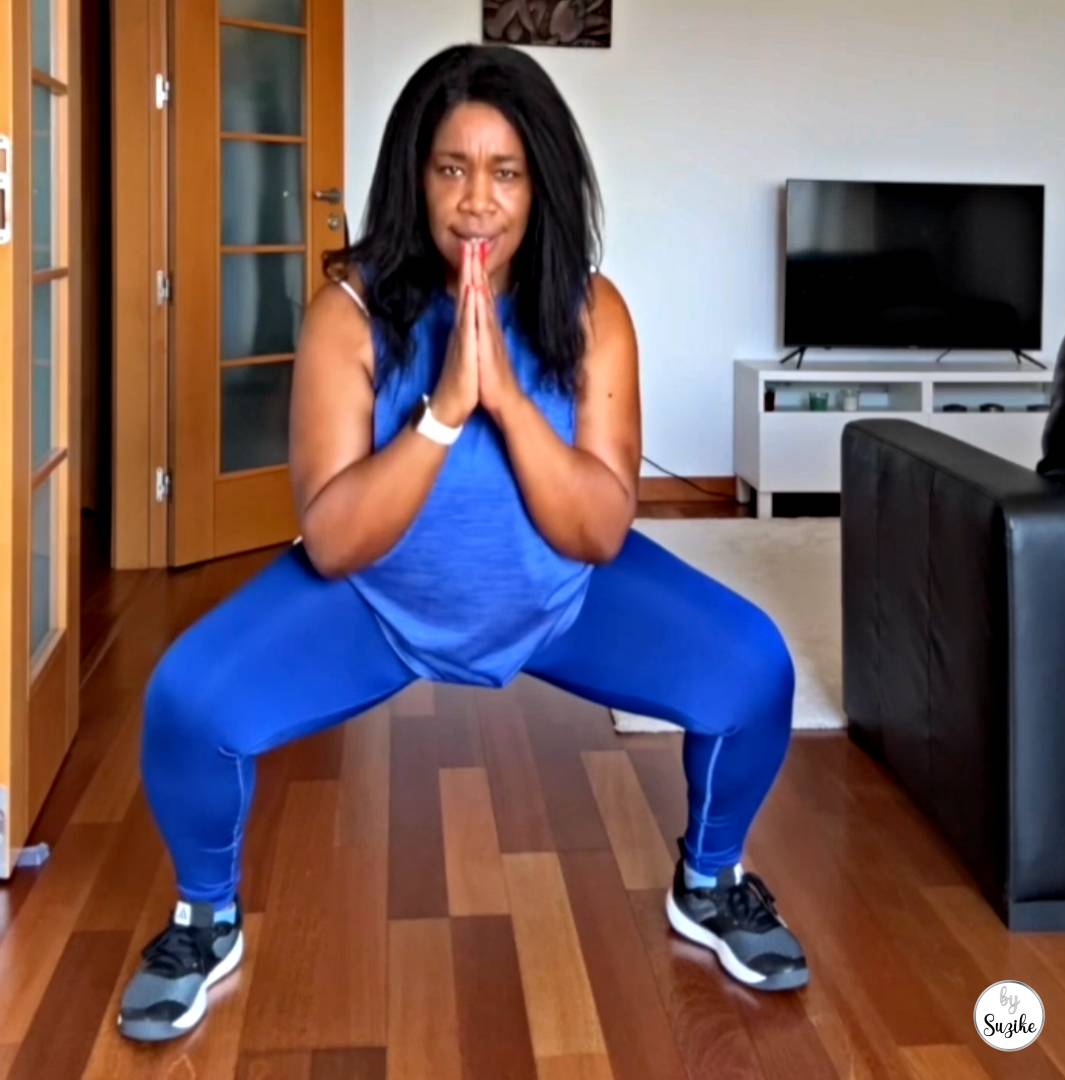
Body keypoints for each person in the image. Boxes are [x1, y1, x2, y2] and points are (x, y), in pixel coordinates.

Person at [117, 43, 808, 1044]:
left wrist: (509, 401)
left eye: (504, 172)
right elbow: (336, 542)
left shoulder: (592, 310)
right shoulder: (348, 314)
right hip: (377, 607)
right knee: (188, 701)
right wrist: (443, 411)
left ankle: (710, 879)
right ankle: (204, 917)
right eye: (451, 169)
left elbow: (602, 527)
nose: (475, 201)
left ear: (541, 184)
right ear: (415, 176)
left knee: (753, 669)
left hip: (561, 597)